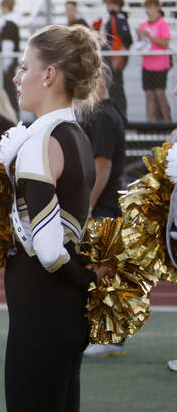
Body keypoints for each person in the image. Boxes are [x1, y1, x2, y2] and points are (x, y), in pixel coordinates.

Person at [0, 25, 170, 412]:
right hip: (57, 312)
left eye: (24, 66)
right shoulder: (68, 129)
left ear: (49, 75)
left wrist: (20, 240)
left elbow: (47, 246)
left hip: (45, 309)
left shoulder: (43, 134)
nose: (17, 75)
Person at [80, 75, 129, 358]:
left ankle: (109, 335)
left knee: (102, 268)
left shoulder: (103, 116)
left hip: (104, 204)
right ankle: (108, 333)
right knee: (104, 266)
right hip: (108, 202)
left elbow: (103, 165)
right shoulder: (109, 114)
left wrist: (88, 206)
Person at [93, 0, 132, 116]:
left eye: (110, 4)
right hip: (110, 57)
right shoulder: (113, 18)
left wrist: (118, 58)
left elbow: (127, 39)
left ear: (117, 4)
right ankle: (118, 116)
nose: (108, 7)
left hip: (115, 58)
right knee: (113, 89)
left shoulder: (119, 18)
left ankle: (121, 117)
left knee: (117, 90)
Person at [138, 0, 172, 122]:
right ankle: (150, 123)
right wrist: (140, 35)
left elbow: (165, 43)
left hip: (160, 64)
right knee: (149, 95)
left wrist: (151, 37)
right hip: (147, 64)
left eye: (152, 7)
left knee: (159, 93)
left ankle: (167, 121)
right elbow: (141, 43)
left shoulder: (163, 23)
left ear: (157, 8)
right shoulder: (143, 25)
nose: (149, 10)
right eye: (147, 7)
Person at [0, 0, 22, 114]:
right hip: (10, 62)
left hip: (8, 63)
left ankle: (12, 115)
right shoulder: (11, 24)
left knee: (9, 92)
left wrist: (5, 65)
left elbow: (8, 45)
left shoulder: (9, 24)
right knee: (9, 91)